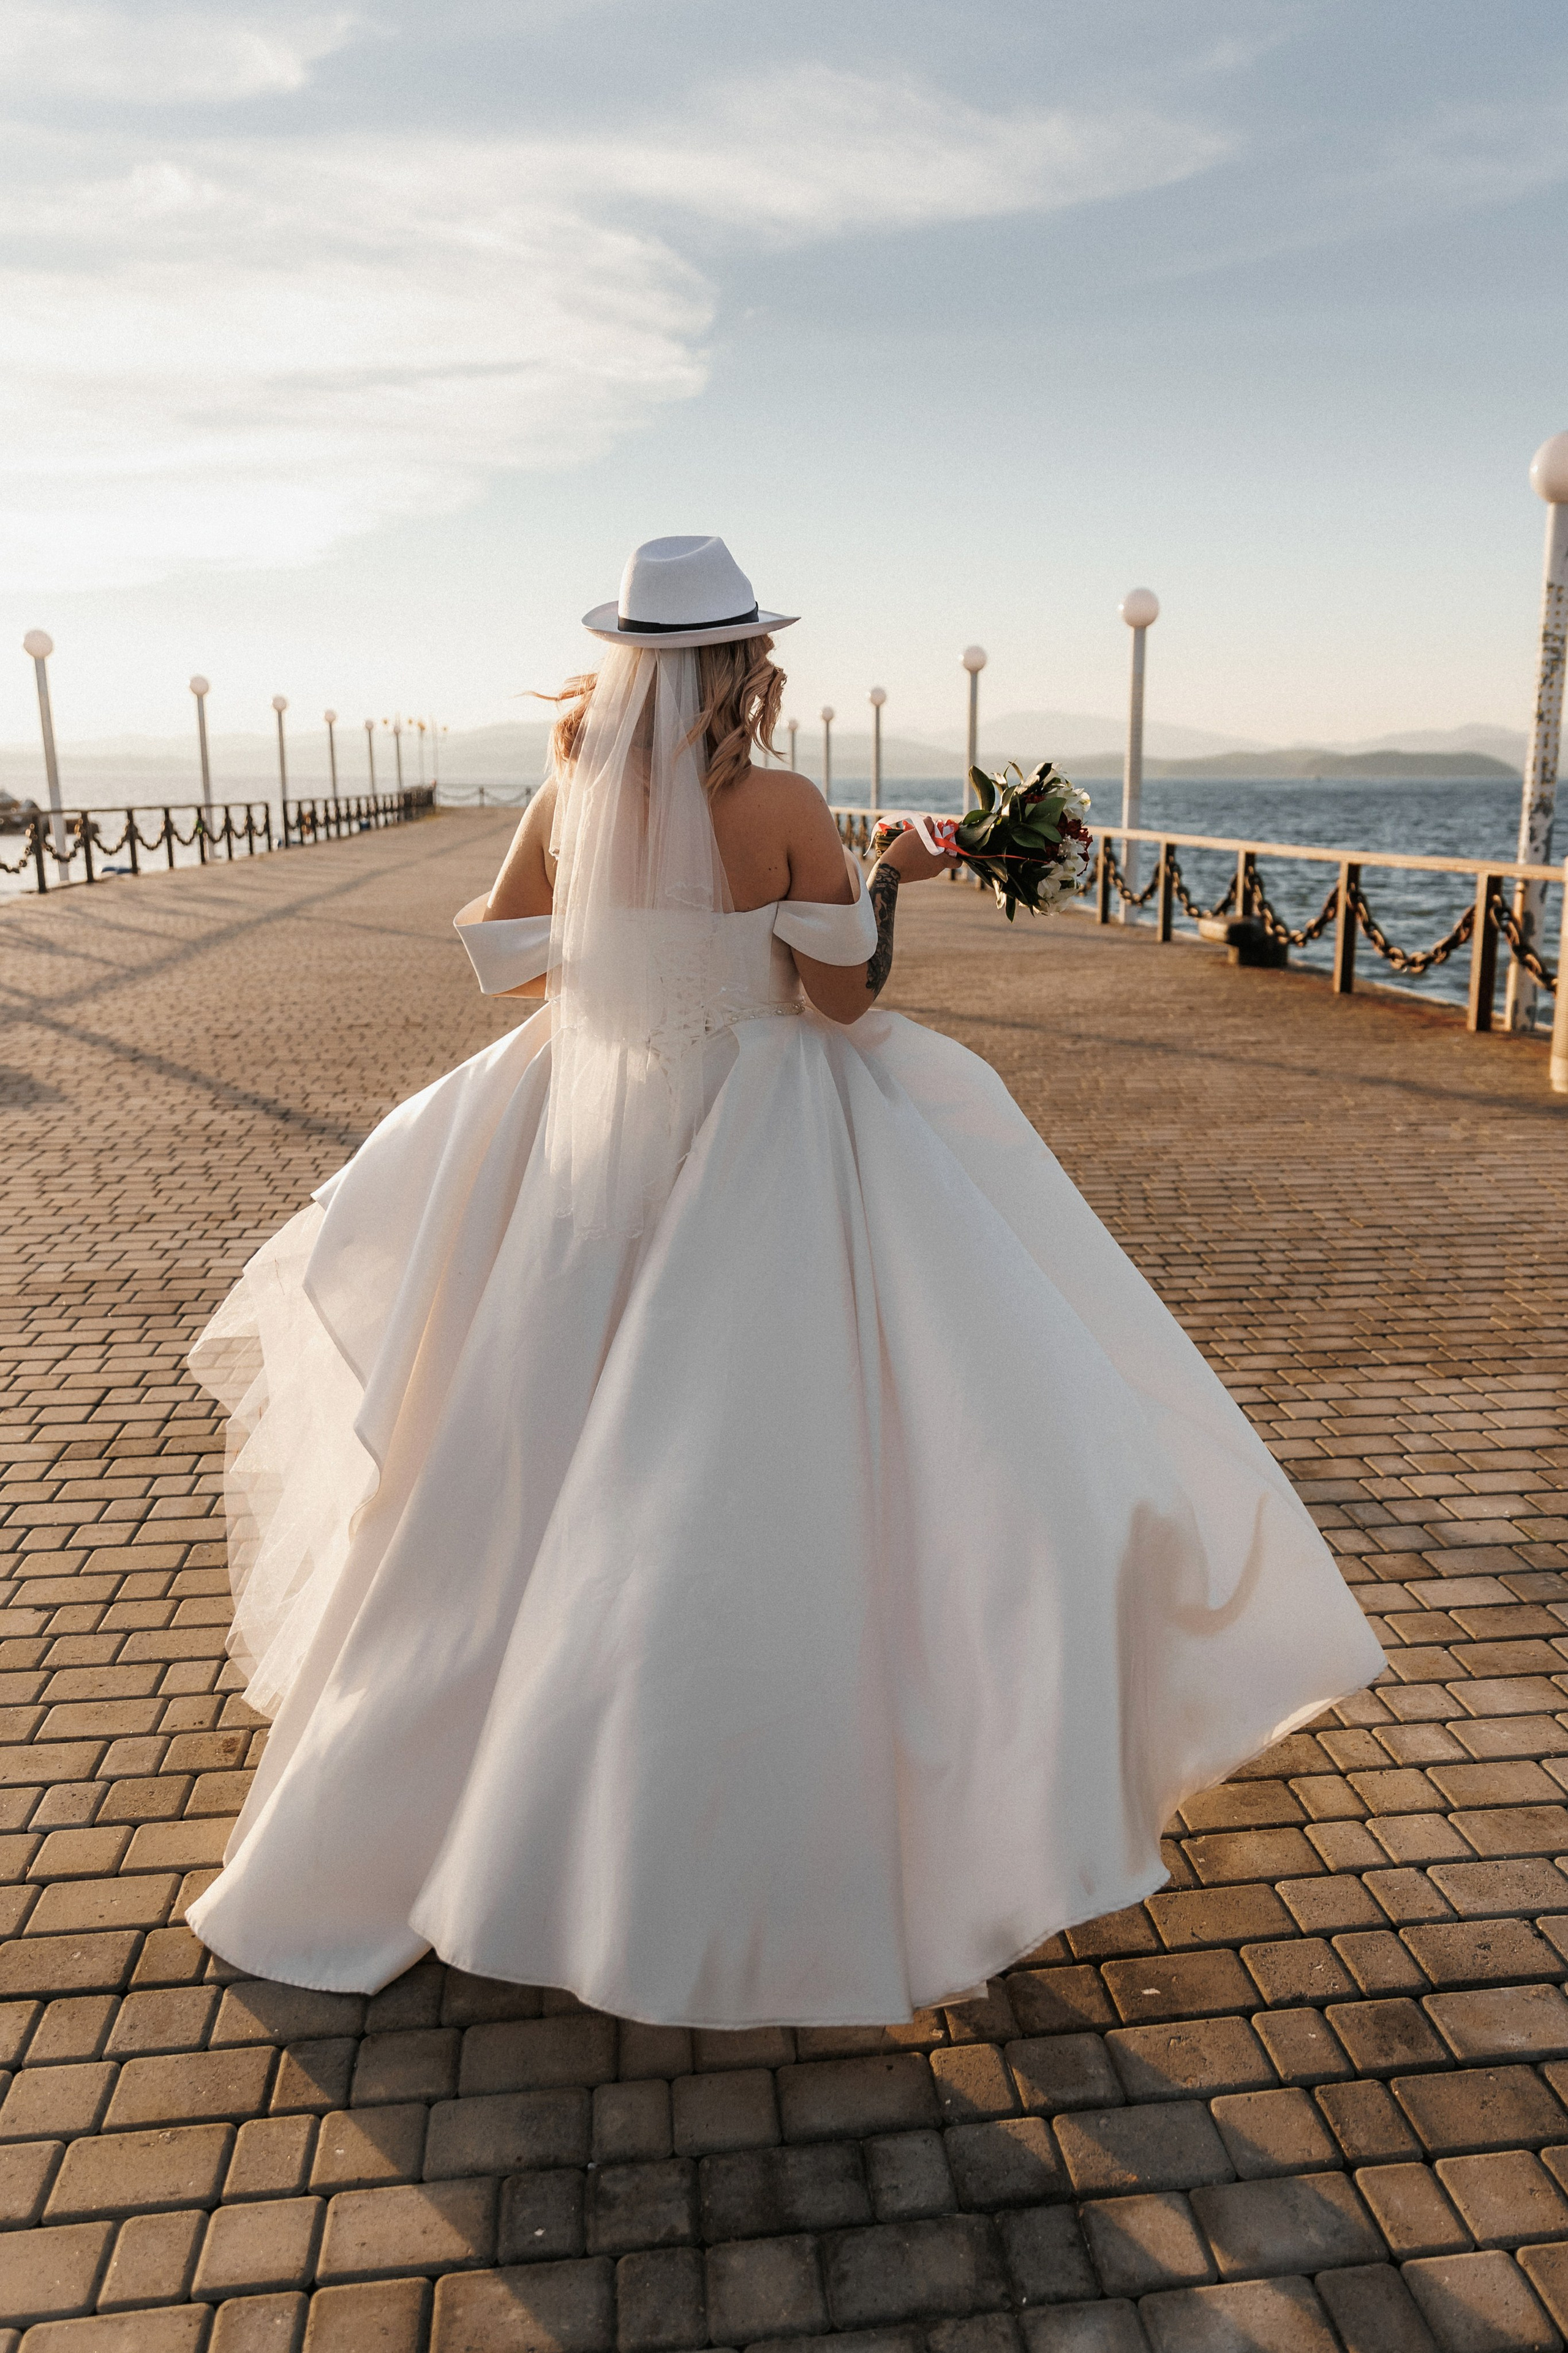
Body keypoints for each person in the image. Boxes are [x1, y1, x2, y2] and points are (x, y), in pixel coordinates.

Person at [186, 535, 1382, 2025]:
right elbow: (841, 998)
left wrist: (635, 963)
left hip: (587, 1146)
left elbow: (514, 960)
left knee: (514, 1466)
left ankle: (431, 1805)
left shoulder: (568, 797)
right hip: (762, 1138)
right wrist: (888, 877)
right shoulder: (787, 807)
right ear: (739, 665)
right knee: (789, 1473)